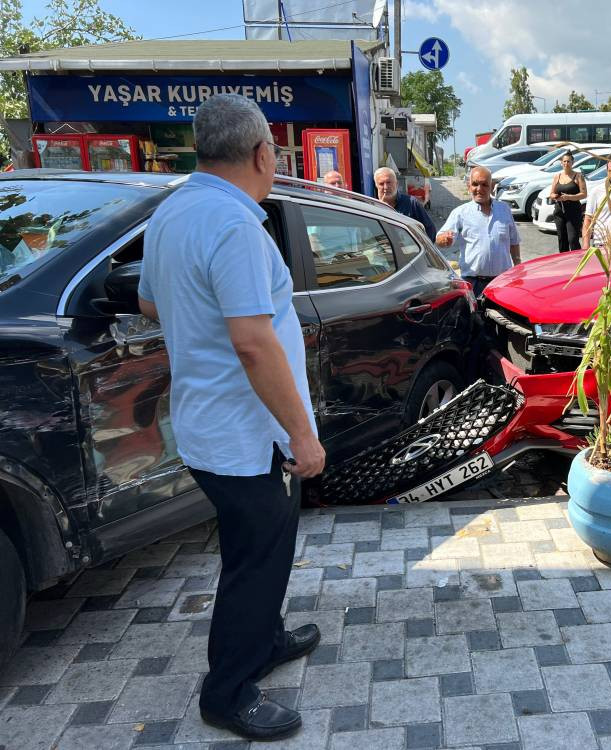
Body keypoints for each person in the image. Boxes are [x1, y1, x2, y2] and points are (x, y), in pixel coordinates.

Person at [137, 94, 326, 743]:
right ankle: (227, 692)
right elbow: (252, 343)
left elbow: (151, 302)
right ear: (261, 154)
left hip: (210, 421)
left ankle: (265, 640)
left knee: (262, 548)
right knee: (256, 560)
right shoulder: (234, 225)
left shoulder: (173, 212)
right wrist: (301, 433)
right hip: (245, 432)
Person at [436, 166, 521, 297]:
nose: (479, 189)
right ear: (469, 186)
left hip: (501, 282)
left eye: (484, 185)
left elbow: (514, 241)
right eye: (475, 184)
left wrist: (518, 267)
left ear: (492, 187)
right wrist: (443, 240)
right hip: (473, 283)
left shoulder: (504, 209)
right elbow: (440, 239)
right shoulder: (460, 213)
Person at [374, 166, 437, 239]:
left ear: (396, 183)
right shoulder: (372, 207)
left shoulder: (411, 203)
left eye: (389, 182)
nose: (386, 187)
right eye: (381, 184)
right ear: (376, 185)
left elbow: (431, 231)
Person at [548, 151, 587, 253]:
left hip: (573, 211)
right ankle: (564, 261)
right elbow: (551, 193)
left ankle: (577, 259)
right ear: (561, 163)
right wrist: (554, 196)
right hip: (559, 211)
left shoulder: (578, 176)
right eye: (564, 161)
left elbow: (584, 194)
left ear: (573, 162)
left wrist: (569, 197)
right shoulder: (557, 176)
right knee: (562, 240)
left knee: (573, 239)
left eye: (568, 161)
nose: (566, 163)